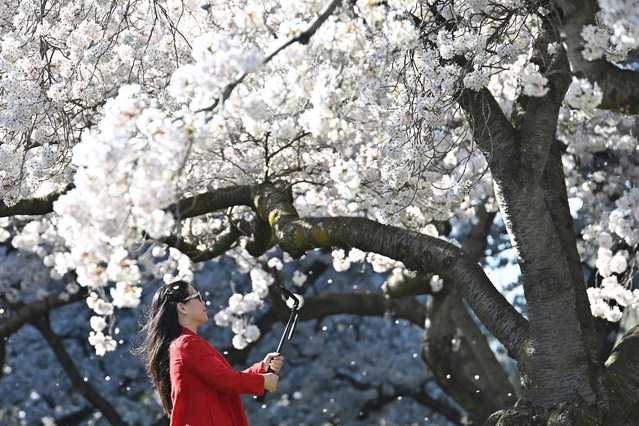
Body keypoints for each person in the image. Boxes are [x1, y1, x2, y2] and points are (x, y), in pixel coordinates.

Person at [137, 280, 283, 425]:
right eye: (198, 297)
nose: (204, 302)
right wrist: (262, 381)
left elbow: (222, 378)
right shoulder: (186, 344)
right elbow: (225, 379)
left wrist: (261, 369)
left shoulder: (186, 344)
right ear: (182, 308)